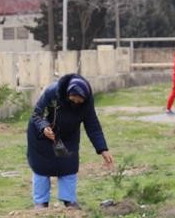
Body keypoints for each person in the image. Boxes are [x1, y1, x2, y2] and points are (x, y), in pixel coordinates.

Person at [27, 74, 114, 210]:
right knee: (42, 168)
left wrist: (102, 149)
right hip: (42, 135)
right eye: (73, 100)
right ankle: (41, 203)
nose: (76, 103)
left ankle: (69, 201)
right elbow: (37, 114)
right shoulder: (52, 92)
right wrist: (44, 127)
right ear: (68, 94)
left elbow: (92, 125)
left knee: (68, 165)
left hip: (67, 136)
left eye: (79, 101)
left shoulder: (87, 101)